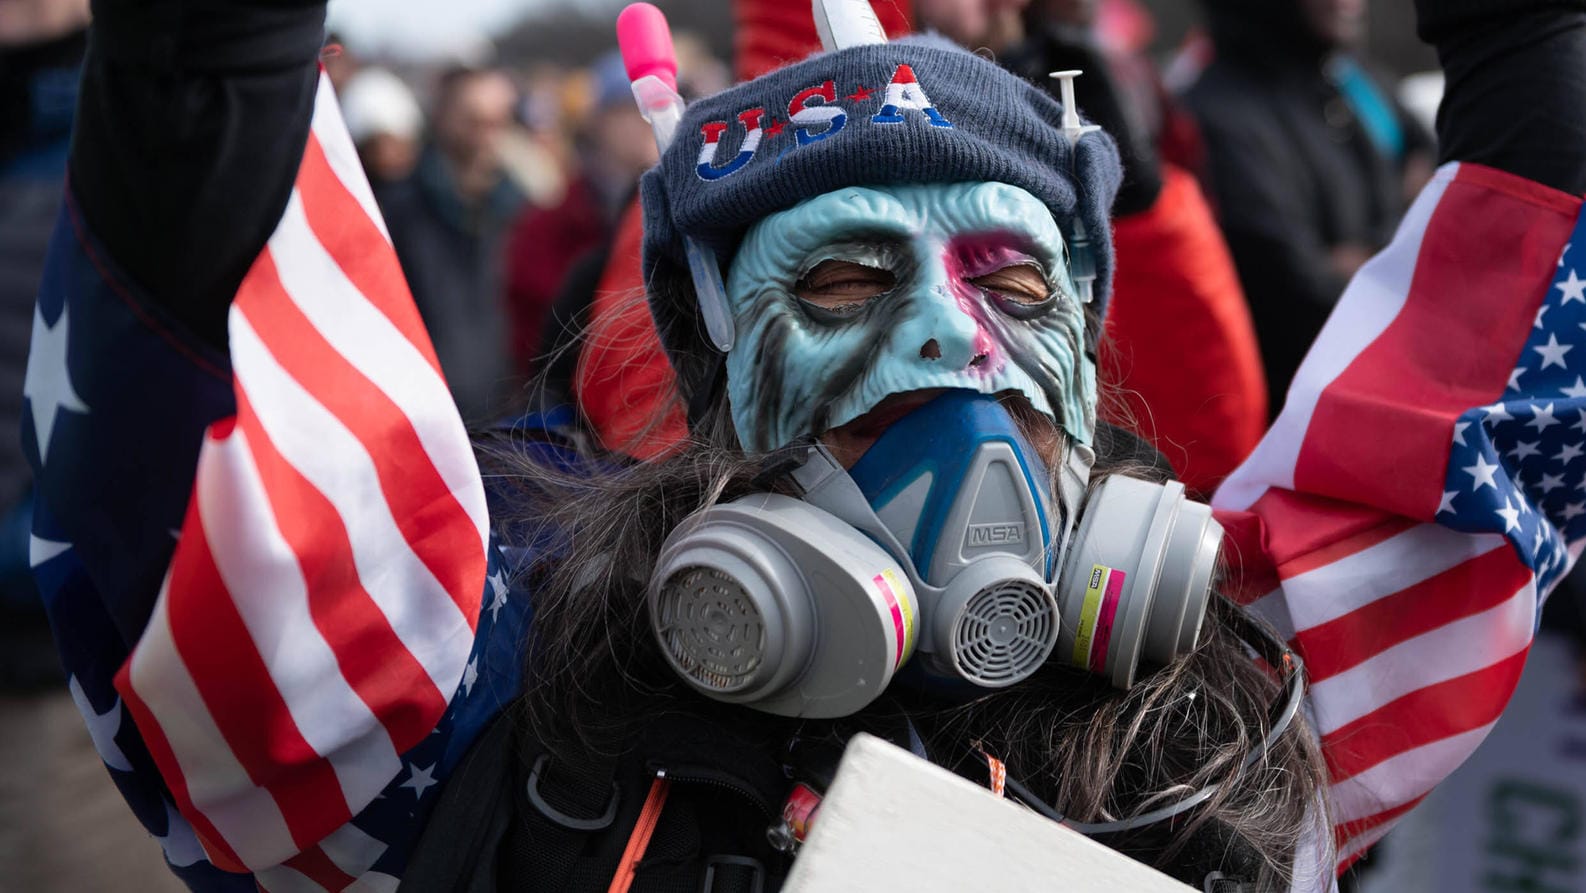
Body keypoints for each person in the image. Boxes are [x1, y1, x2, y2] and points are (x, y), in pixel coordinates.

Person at [23, 1, 1586, 892]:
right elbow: (218, 419)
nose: (944, 340)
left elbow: (1497, 388)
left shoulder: (1238, 722)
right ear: (712, 375)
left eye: (1013, 280)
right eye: (840, 278)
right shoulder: (492, 739)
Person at [1182, 0, 1436, 419]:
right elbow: (1299, 288)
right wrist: (1411, 247)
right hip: (1311, 417)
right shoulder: (1218, 114)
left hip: (1401, 384)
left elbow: (1438, 172)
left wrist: (1365, 259)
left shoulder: (1352, 77)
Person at [377, 64, 525, 424]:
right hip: (420, 419)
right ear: (442, 118)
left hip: (505, 422)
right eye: (474, 120)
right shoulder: (397, 210)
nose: (487, 135)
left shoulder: (521, 212)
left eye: (497, 121)